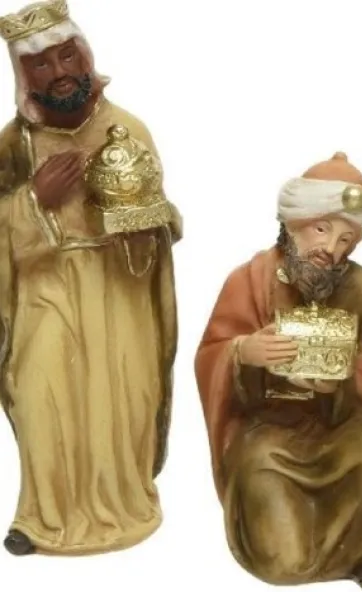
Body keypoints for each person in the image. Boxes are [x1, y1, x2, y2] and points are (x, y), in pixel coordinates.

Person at [0, 0, 181, 556]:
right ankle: (44, 516)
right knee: (41, 396)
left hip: (119, 285)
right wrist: (34, 199)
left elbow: (164, 217)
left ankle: (124, 502)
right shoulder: (13, 145)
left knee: (122, 398)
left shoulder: (128, 128)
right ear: (23, 74)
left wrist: (147, 224)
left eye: (66, 55)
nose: (58, 72)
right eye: (40, 64)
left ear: (85, 55)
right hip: (46, 289)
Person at [195, 153, 362, 591]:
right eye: (322, 230)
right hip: (269, 433)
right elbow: (210, 355)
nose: (331, 249)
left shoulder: (361, 287)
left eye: (346, 239)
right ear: (295, 222)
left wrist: (345, 377)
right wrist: (244, 352)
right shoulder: (249, 280)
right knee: (283, 560)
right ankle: (294, 556)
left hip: (342, 425)